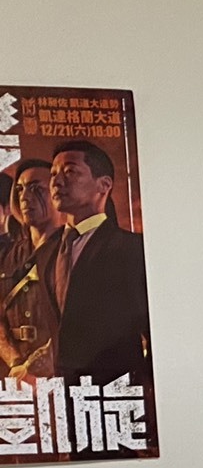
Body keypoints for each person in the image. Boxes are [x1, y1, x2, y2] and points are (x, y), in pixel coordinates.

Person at [45, 139, 151, 383]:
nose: (57, 182)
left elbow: (153, 329)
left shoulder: (132, 249)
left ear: (104, 185)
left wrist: (146, 386)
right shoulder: (45, 254)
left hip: (117, 393)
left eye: (70, 171)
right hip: (62, 394)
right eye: (53, 174)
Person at [1, 158, 65, 379]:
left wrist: (39, 366)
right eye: (20, 189)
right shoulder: (7, 254)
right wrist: (15, 362)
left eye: (36, 188)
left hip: (58, 374)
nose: (25, 196)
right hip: (13, 375)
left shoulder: (74, 250)